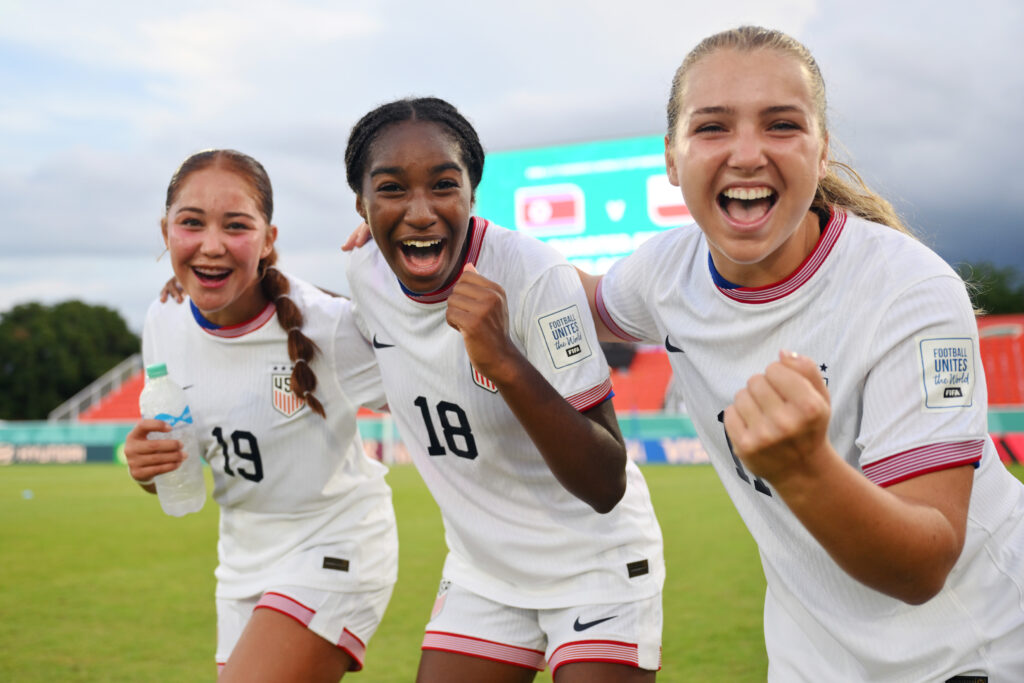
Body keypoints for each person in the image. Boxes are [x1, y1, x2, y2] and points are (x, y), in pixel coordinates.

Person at [579, 26, 1024, 681]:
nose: (748, 153)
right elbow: (573, 302)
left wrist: (805, 469)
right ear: (671, 160)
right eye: (712, 128)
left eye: (782, 124)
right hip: (810, 660)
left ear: (820, 154)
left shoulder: (912, 291)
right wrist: (436, 251)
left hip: (964, 653)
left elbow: (924, 562)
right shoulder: (665, 272)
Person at [343, 97, 665, 682]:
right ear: (361, 204)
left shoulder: (536, 277)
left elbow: (605, 482)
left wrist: (506, 361)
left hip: (595, 565)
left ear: (471, 193)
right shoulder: (362, 275)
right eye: (391, 189)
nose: (420, 211)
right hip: (483, 571)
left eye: (444, 184)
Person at [124, 149, 399, 682]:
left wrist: (397, 277)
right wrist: (148, 470)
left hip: (335, 544)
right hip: (241, 562)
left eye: (235, 226)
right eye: (191, 223)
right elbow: (178, 470)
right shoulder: (162, 320)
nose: (211, 245)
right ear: (165, 231)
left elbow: (431, 380)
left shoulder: (326, 325)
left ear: (269, 238)